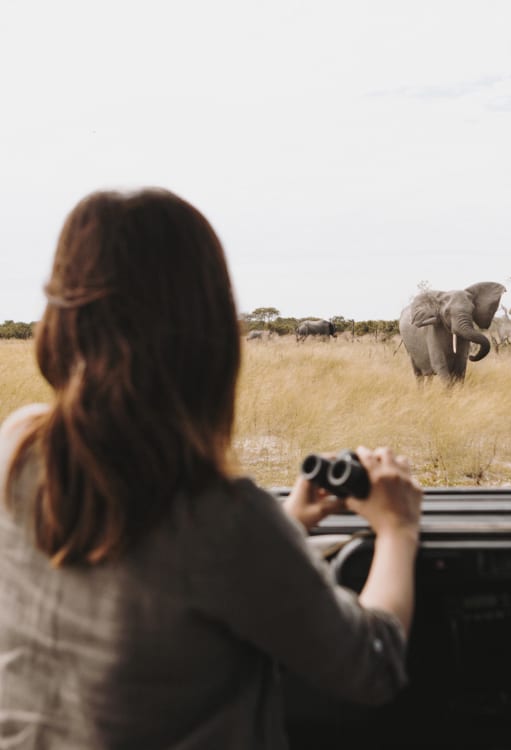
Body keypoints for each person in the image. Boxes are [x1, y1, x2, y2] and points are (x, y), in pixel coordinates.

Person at [0, 188, 423, 749]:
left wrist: (285, 522)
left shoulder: (18, 443)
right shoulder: (217, 514)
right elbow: (371, 667)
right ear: (211, 336)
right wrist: (397, 529)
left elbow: (146, 574)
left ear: (62, 321)